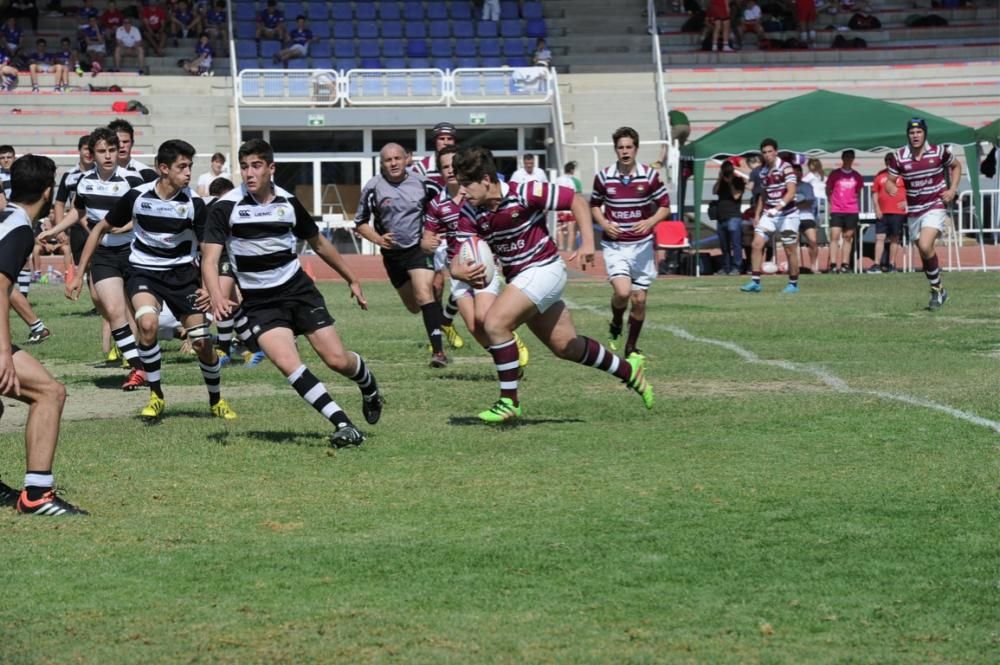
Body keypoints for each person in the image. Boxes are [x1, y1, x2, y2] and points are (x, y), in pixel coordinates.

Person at [452, 146, 654, 423]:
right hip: (521, 278)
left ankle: (509, 401)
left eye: (466, 184)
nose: (462, 191)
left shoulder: (526, 191)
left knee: (495, 323)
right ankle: (629, 371)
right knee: (565, 346)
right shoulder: (471, 212)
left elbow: (577, 202)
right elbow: (456, 259)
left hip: (545, 269)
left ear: (486, 180)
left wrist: (588, 243)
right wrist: (462, 273)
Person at [202, 138, 382, 447]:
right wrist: (217, 295)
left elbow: (319, 243)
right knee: (288, 363)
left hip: (298, 290)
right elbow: (209, 257)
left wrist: (350, 277)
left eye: (256, 166)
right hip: (260, 302)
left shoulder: (287, 202)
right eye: (244, 167)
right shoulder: (226, 206)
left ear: (271, 169)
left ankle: (369, 387)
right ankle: (343, 424)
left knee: (337, 360)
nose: (249, 173)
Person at [68, 139, 236, 422]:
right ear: (163, 168)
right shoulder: (137, 196)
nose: (188, 173)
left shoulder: (194, 203)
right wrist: (79, 272)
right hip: (143, 272)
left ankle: (216, 399)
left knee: (202, 344)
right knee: (147, 323)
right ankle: (156, 395)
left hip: (182, 276)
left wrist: (208, 288)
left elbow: (208, 251)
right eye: (182, 167)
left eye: (190, 167)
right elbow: (99, 228)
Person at [0, 154, 87, 515]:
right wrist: (3, 352)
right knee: (50, 393)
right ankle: (36, 495)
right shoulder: (19, 227)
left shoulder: (5, 219)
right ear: (48, 192)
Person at [421, 144, 527, 364]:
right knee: (473, 326)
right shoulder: (436, 204)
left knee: (483, 316)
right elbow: (426, 238)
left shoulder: (478, 194)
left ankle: (510, 341)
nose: (449, 170)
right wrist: (426, 243)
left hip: (483, 263)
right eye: (444, 167)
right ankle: (506, 360)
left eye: (453, 165)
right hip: (457, 268)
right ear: (439, 172)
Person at [61, 127, 148, 388]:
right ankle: (138, 368)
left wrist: (128, 226)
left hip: (134, 252)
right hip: (103, 254)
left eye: (112, 150)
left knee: (145, 317)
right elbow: (77, 214)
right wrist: (56, 231)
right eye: (102, 151)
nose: (108, 155)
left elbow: (146, 216)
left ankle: (148, 357)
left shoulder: (133, 180)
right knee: (113, 310)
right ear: (92, 154)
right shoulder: (83, 181)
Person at [354, 143, 454, 367]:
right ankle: (436, 313)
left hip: (418, 249)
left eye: (397, 158)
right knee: (413, 306)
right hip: (392, 255)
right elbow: (360, 223)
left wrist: (432, 234)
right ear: (382, 163)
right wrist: (379, 239)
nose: (393, 163)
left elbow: (442, 210)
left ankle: (438, 353)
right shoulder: (373, 187)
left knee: (423, 294)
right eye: (388, 160)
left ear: (407, 159)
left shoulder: (422, 183)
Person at [590, 127, 671, 357]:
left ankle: (631, 346)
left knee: (640, 299)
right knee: (623, 292)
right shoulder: (604, 176)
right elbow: (594, 205)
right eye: (620, 147)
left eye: (629, 147)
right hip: (615, 245)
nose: (625, 151)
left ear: (636, 148)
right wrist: (605, 224)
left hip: (642, 245)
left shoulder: (649, 176)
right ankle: (616, 322)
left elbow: (665, 206)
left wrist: (650, 221)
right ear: (615, 149)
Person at [885, 118, 962, 310]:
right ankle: (939, 289)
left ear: (925, 133)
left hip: (935, 205)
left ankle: (936, 290)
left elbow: (957, 166)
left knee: (927, 245)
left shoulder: (938, 152)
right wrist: (890, 186)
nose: (915, 136)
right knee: (924, 252)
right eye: (912, 133)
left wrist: (952, 189)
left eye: (919, 132)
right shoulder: (900, 156)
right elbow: (890, 180)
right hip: (914, 211)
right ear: (908, 135)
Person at [741, 138, 800, 293]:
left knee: (790, 249)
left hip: (788, 214)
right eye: (764, 152)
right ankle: (755, 281)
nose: (767, 155)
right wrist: (758, 214)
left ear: (776, 152)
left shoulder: (786, 168)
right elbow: (763, 195)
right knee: (756, 243)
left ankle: (793, 284)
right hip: (770, 212)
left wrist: (779, 207)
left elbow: (791, 191)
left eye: (770, 151)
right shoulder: (762, 171)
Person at [825, 149, 864, 273]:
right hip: (837, 209)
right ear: (842, 158)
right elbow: (828, 189)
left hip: (851, 210)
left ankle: (845, 264)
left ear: (853, 159)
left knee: (848, 237)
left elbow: (858, 192)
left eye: (851, 157)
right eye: (846, 157)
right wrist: (832, 202)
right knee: (834, 236)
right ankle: (832, 264)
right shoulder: (835, 174)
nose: (848, 159)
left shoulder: (857, 175)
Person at [870, 154, 906, 273]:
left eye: (891, 160)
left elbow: (911, 190)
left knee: (894, 238)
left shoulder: (902, 175)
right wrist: (877, 208)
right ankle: (876, 264)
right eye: (887, 160)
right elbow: (875, 192)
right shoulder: (880, 175)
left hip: (897, 212)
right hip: (883, 212)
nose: (888, 162)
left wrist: (907, 202)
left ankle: (891, 264)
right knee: (879, 237)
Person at [714, 160, 746, 275]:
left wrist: (730, 182)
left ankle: (737, 267)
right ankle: (726, 267)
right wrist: (720, 178)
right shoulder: (721, 182)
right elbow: (714, 191)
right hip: (721, 217)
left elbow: (736, 196)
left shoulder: (738, 180)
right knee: (724, 245)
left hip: (733, 216)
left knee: (736, 244)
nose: (726, 172)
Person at [109, 117, 157, 182]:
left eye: (125, 142)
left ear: (132, 143)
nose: (121, 146)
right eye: (117, 142)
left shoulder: (147, 173)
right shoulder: (98, 172)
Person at [791, 163, 819, 274]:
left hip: (806, 216)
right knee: (793, 242)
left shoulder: (807, 186)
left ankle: (813, 266)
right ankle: (795, 267)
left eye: (799, 171)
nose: (796, 174)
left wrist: (794, 205)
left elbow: (808, 203)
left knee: (813, 241)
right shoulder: (787, 186)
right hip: (792, 216)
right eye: (794, 172)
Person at [555, 161, 582, 253]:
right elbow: (577, 196)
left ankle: (561, 247)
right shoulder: (574, 181)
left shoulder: (558, 180)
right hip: (570, 209)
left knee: (559, 229)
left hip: (559, 208)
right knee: (571, 230)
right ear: (572, 170)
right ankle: (569, 249)